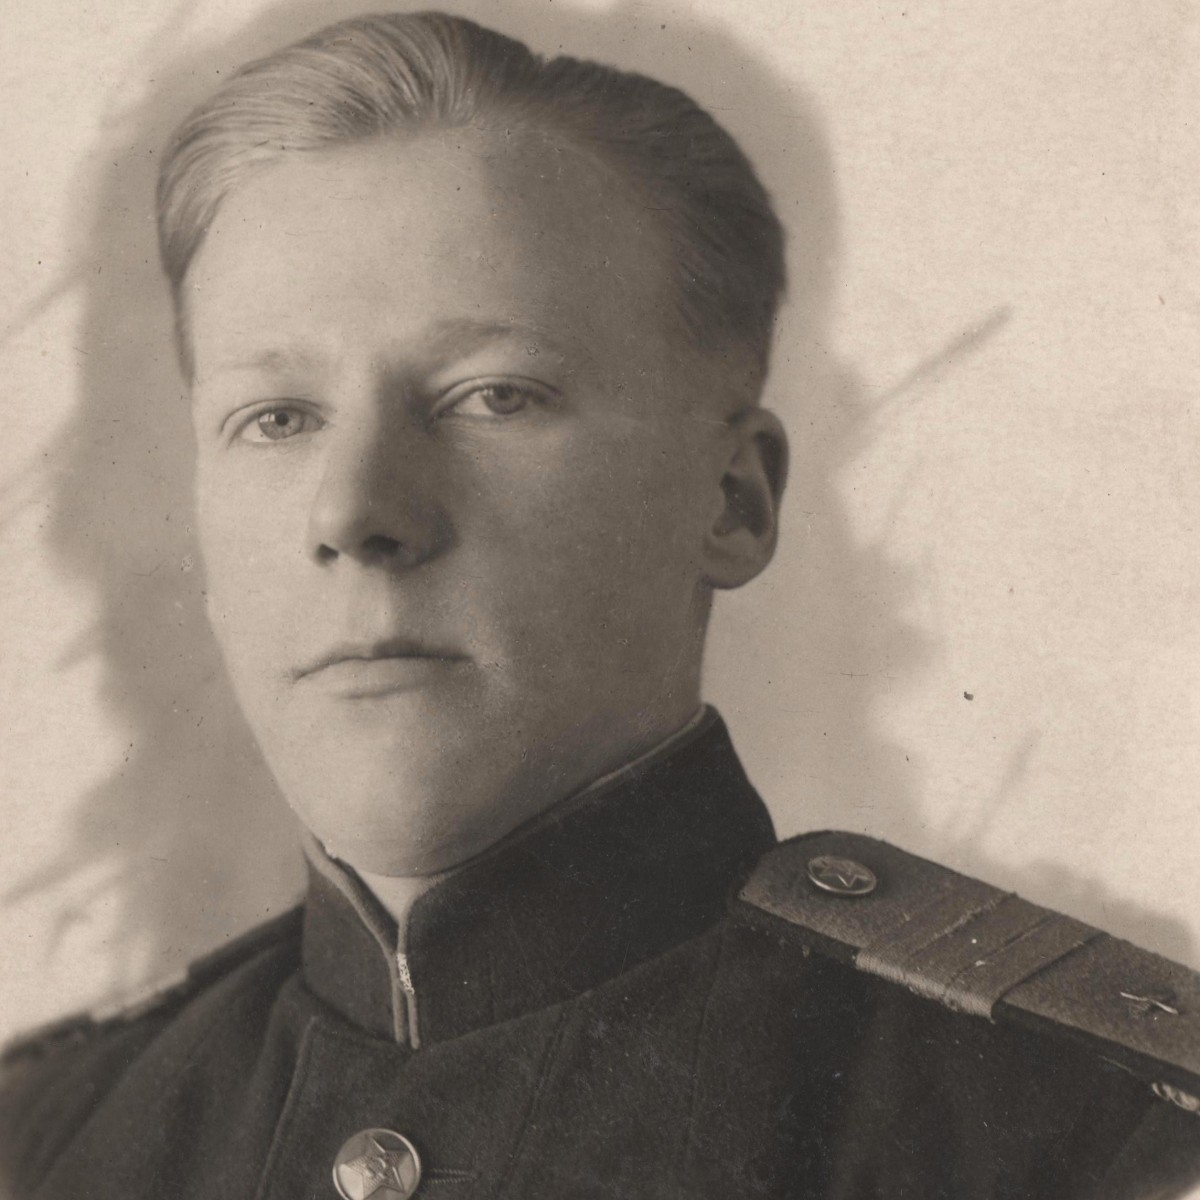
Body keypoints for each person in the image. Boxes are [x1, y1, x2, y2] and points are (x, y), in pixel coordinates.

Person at [1, 11, 1197, 1199]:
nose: (355, 511)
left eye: (493, 396)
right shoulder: (43, 1138)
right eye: (277, 419)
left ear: (731, 502)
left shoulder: (1092, 1141)